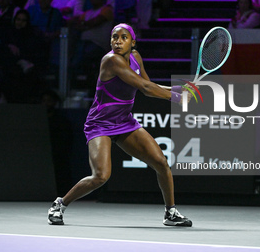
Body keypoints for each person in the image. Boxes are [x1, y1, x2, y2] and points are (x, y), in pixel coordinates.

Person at [48, 23, 193, 227]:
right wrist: (177, 97)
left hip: (124, 122)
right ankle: (60, 204)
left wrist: (178, 88)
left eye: (123, 37)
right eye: (114, 37)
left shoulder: (136, 57)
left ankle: (171, 213)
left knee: (161, 163)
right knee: (101, 176)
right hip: (100, 124)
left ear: (132, 42)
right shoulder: (111, 61)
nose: (117, 41)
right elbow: (145, 88)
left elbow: (148, 84)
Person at [0, 9, 48, 103]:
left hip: (26, 66)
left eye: (23, 20)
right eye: (18, 19)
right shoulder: (9, 33)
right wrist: (9, 46)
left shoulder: (32, 35)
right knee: (1, 52)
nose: (20, 23)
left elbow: (36, 52)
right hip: (9, 65)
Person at [68, 0, 114, 89]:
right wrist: (84, 24)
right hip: (84, 44)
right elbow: (75, 24)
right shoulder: (86, 13)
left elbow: (94, 22)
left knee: (82, 54)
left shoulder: (107, 10)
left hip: (99, 45)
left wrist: (84, 24)